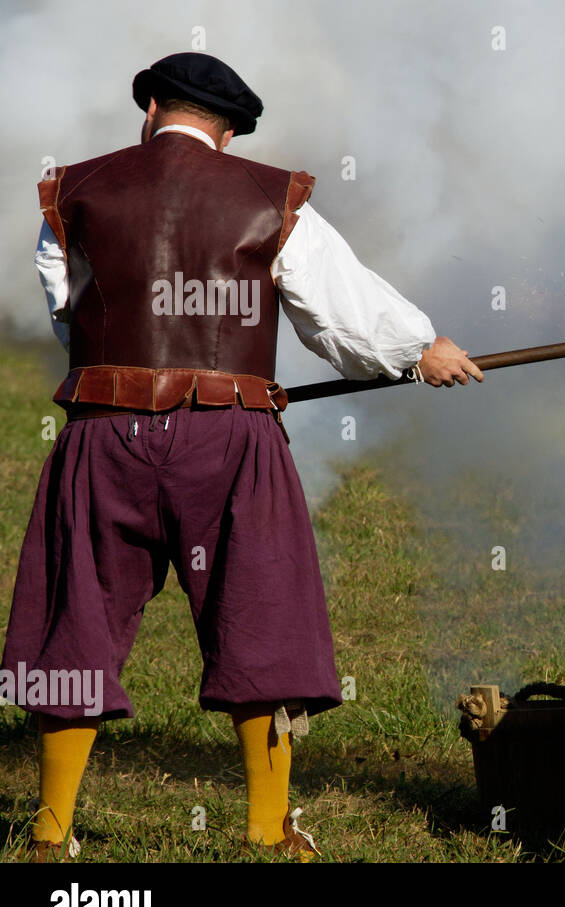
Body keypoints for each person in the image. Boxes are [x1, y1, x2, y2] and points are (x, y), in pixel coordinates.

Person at [1, 52, 483, 861]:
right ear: (228, 129)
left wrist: (129, 378)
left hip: (101, 432)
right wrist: (418, 349)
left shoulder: (71, 193)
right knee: (261, 620)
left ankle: (51, 831)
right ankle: (268, 829)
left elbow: (69, 316)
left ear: (150, 106)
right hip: (229, 438)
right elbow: (341, 304)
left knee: (74, 619)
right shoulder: (270, 196)